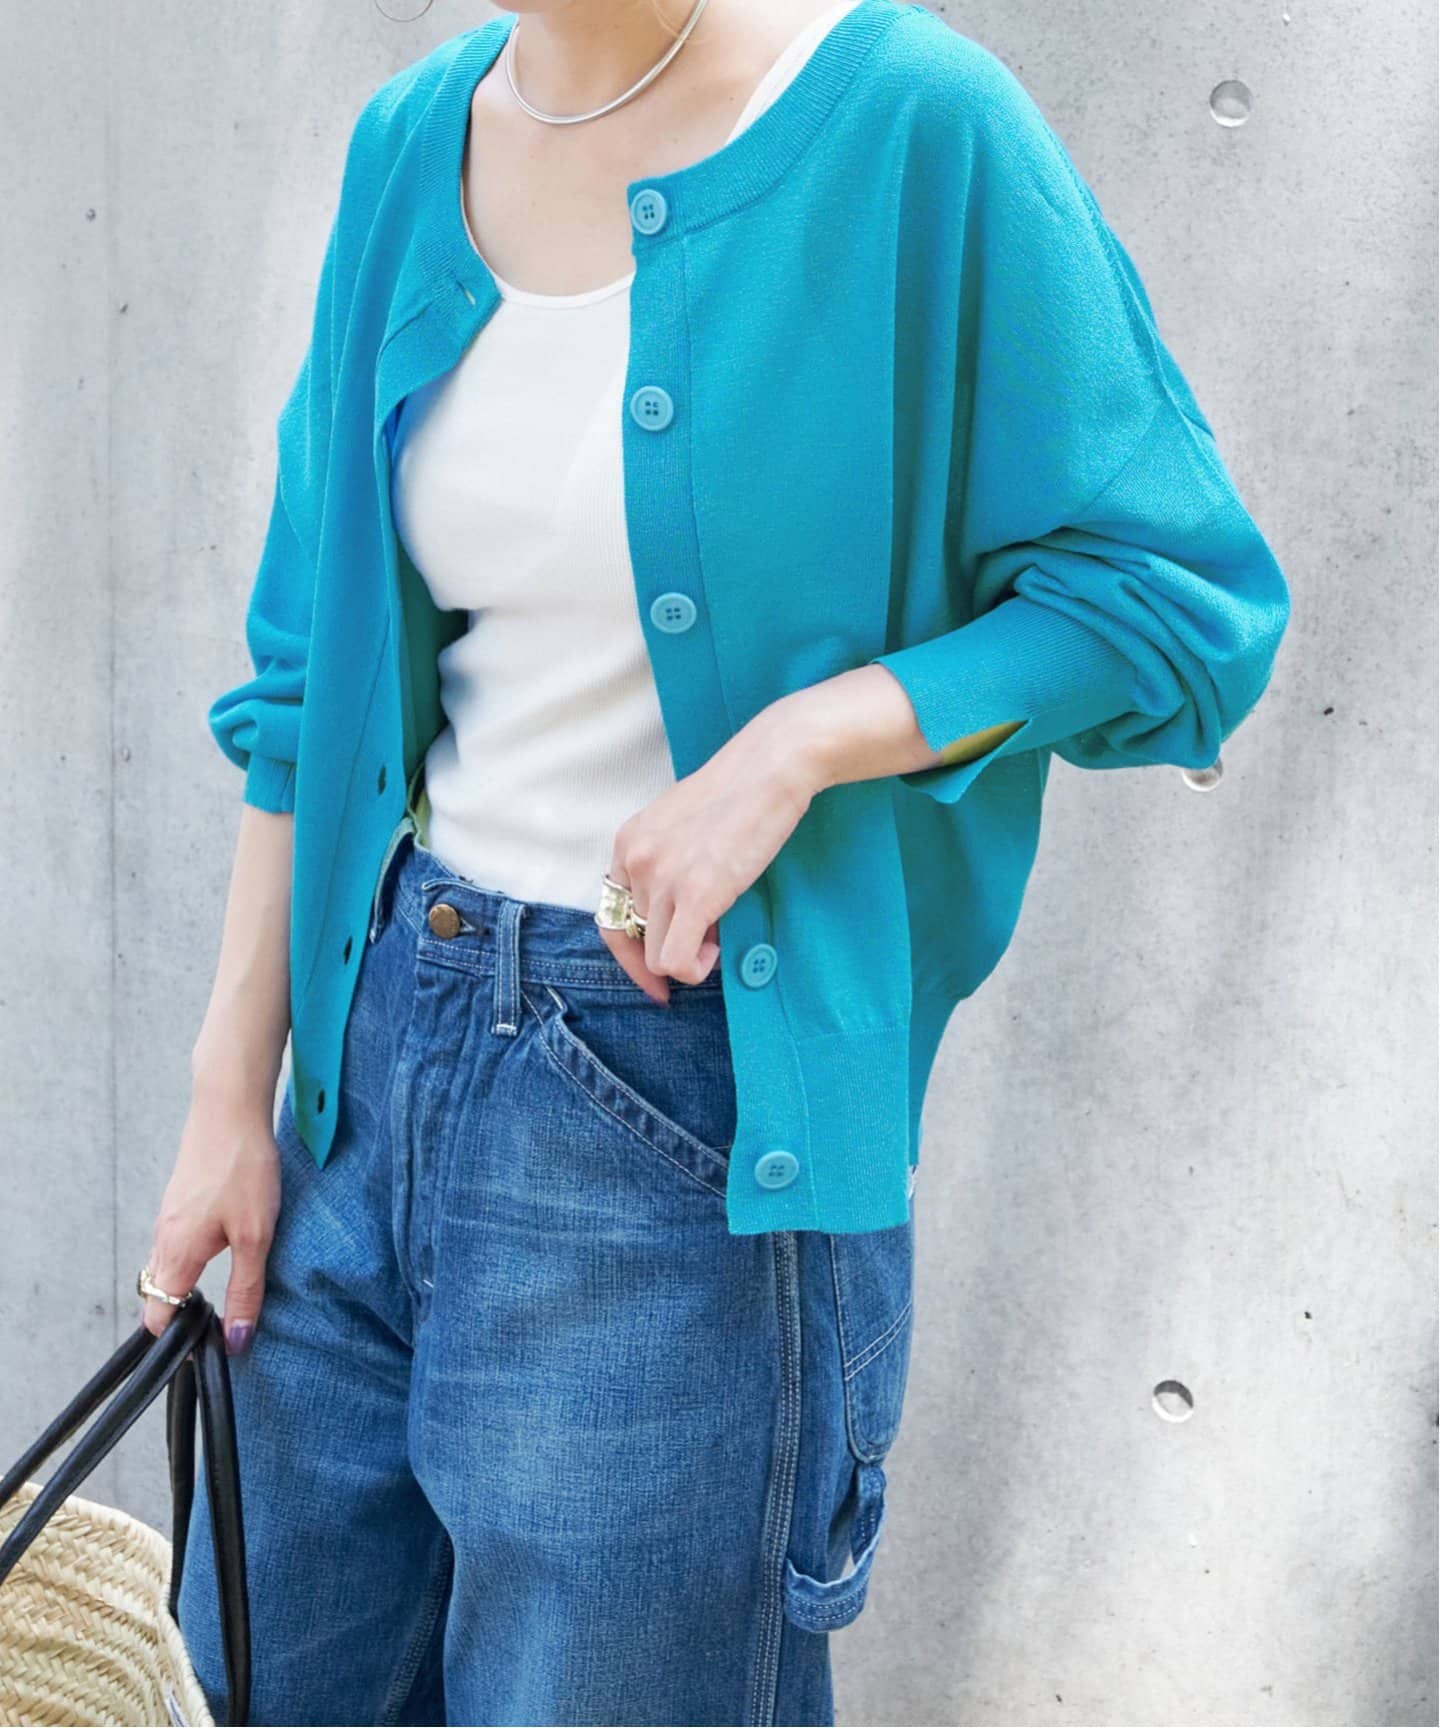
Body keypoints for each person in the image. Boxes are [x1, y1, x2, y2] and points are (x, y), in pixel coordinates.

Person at [144, 0, 1291, 1722]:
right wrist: (230, 1095)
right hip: (362, 1083)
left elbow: (1177, 610)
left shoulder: (909, 127)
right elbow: (307, 679)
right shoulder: (409, 143)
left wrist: (800, 745)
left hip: (677, 1108)